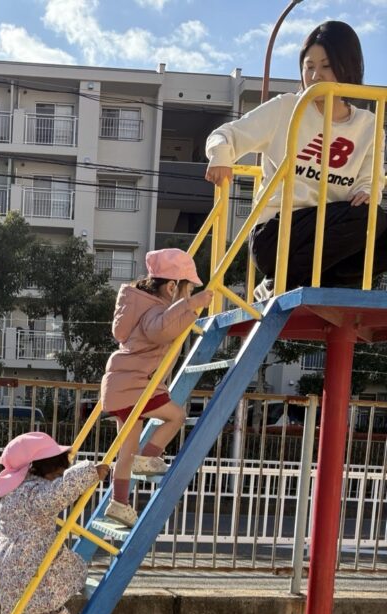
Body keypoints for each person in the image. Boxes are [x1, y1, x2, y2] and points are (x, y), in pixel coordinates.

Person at [205, 20, 387, 297]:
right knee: (365, 218)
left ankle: (295, 282)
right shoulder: (288, 108)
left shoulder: (368, 125)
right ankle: (283, 282)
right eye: (308, 66)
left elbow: (370, 181)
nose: (315, 76)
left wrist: (368, 192)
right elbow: (225, 134)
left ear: (348, 66)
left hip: (331, 235)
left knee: (375, 220)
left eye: (326, 66)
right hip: (277, 234)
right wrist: (220, 156)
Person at [100, 249, 213, 527]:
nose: (188, 296)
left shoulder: (141, 305)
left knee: (126, 450)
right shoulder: (155, 309)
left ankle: (118, 503)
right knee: (176, 416)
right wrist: (192, 305)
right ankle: (148, 458)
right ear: (172, 287)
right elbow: (160, 330)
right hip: (136, 383)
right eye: (187, 290)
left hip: (121, 383)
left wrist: (187, 306)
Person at [0, 432, 110, 614]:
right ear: (45, 467)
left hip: (13, 559)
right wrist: (91, 472)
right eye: (59, 470)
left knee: (48, 583)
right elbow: (60, 492)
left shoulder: (15, 489)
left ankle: (54, 613)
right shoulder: (36, 492)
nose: (60, 475)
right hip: (27, 558)